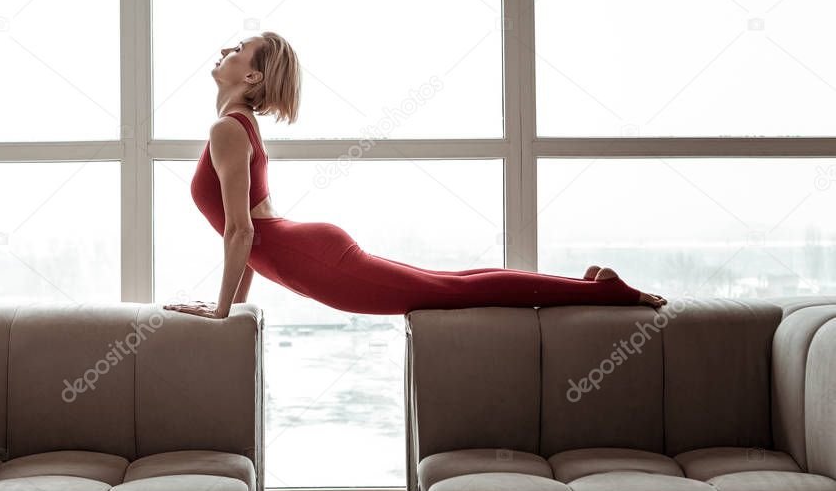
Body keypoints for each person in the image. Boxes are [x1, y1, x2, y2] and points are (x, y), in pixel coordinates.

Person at [164, 32, 666, 319]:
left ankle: (606, 293)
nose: (224, 50)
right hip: (309, 250)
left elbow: (242, 232)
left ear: (250, 76)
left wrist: (221, 312)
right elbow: (247, 231)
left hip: (314, 257)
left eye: (237, 48)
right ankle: (589, 286)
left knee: (457, 291)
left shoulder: (227, 129)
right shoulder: (238, 127)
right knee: (457, 283)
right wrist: (232, 307)